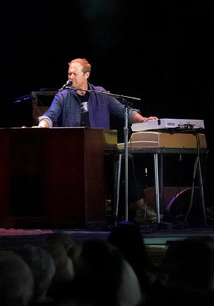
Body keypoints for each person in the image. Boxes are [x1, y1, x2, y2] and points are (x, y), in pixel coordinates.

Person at [36, 58, 158, 222]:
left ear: (86, 75)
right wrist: (41, 127)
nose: (70, 76)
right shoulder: (62, 96)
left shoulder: (101, 94)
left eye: (74, 73)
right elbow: (49, 116)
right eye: (69, 73)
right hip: (73, 152)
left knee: (126, 160)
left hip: (101, 151)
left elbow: (124, 112)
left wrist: (143, 120)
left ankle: (139, 208)